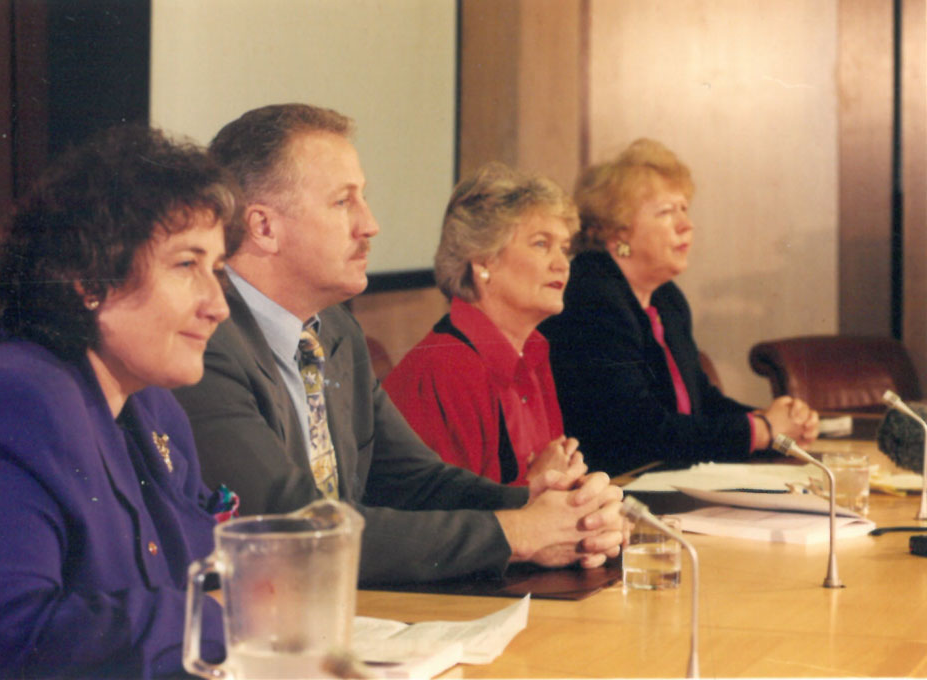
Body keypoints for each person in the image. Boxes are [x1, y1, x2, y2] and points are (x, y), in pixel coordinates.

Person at [173, 104, 624, 585]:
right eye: (344, 202)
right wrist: (516, 533)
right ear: (264, 227)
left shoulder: (336, 330)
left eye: (363, 199)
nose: (370, 224)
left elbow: (413, 480)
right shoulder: (204, 341)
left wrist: (559, 511)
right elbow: (291, 527)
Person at [0, 126, 243, 678]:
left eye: (216, 270)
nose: (217, 305)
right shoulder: (7, 403)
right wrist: (222, 622)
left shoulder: (154, 407)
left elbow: (204, 570)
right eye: (187, 265)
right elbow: (2, 640)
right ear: (87, 280)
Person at [540, 138, 820, 477]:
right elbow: (640, 430)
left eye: (684, 208)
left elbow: (698, 401)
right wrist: (760, 430)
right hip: (613, 491)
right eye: (666, 212)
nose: (686, 225)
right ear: (617, 234)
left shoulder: (665, 298)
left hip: (665, 480)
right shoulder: (591, 296)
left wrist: (778, 423)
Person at [385, 162, 583, 486]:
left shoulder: (534, 351)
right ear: (482, 260)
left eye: (564, 248)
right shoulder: (447, 367)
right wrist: (538, 486)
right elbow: (452, 521)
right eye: (541, 244)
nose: (562, 264)